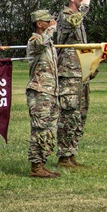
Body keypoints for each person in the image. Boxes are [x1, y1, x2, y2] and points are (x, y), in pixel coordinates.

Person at [55, 0, 92, 168]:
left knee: (80, 113)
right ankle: (63, 155)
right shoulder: (66, 15)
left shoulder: (78, 18)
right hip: (68, 72)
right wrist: (85, 6)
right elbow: (74, 22)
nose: (83, 0)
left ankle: (71, 153)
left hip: (80, 72)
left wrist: (90, 65)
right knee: (69, 113)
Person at [27, 10, 61, 178]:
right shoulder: (35, 41)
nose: (52, 23)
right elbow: (40, 43)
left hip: (51, 92)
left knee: (49, 130)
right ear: (40, 24)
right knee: (39, 129)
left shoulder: (49, 43)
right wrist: (51, 30)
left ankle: (42, 162)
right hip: (40, 91)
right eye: (48, 21)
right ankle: (36, 166)